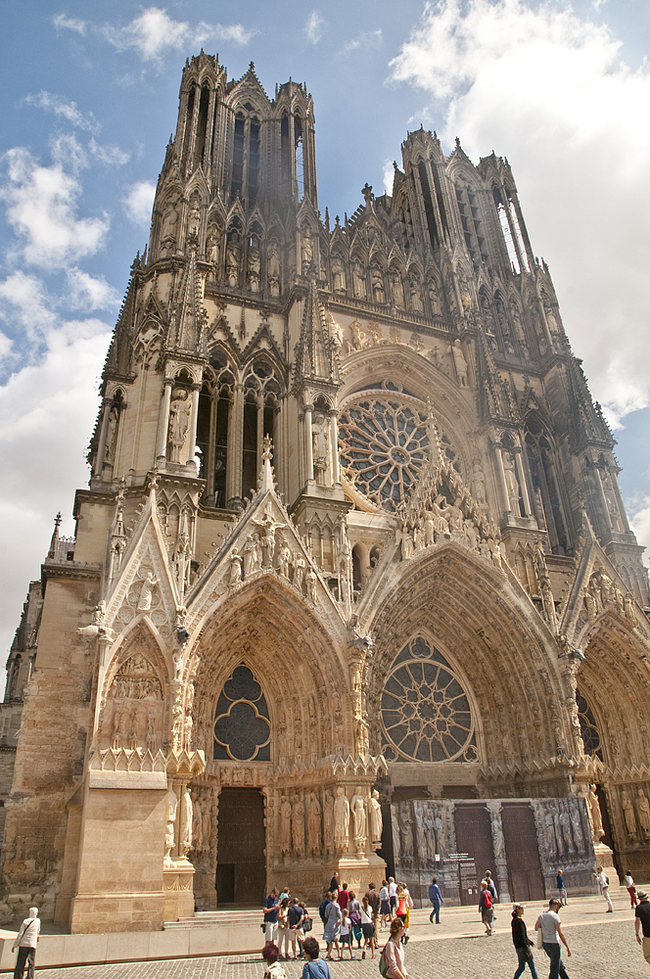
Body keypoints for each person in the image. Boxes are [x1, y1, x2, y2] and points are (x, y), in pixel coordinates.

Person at [535, 897, 571, 979]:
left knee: (558, 965)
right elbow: (560, 933)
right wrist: (568, 948)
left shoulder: (542, 915)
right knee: (554, 970)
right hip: (554, 944)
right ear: (555, 906)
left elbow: (536, 927)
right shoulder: (555, 916)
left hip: (546, 944)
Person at [511, 904, 539, 979]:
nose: (523, 910)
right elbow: (522, 936)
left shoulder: (514, 921)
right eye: (521, 908)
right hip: (523, 948)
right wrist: (526, 948)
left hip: (519, 948)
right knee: (532, 967)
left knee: (521, 967)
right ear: (518, 910)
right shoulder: (519, 922)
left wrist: (530, 942)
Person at [12, 907, 40, 979]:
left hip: (23, 944)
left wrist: (15, 945)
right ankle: (30, 977)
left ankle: (18, 977)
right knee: (31, 963)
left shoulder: (25, 921)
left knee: (21, 963)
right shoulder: (38, 921)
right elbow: (38, 932)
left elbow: (20, 934)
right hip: (32, 945)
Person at [323, 891, 341, 960]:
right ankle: (329, 954)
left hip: (329, 923)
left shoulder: (328, 905)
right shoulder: (336, 905)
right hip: (334, 923)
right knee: (333, 939)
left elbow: (326, 915)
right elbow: (339, 914)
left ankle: (337, 953)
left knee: (334, 939)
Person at [635, 889, 650, 965]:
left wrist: (637, 934)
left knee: (647, 955)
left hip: (647, 935)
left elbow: (637, 921)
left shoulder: (639, 908)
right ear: (646, 897)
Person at [360, 894, 377, 959]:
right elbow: (371, 915)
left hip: (364, 924)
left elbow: (360, 916)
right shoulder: (370, 908)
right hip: (369, 923)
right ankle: (372, 954)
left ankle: (364, 949)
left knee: (366, 940)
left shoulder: (361, 908)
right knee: (371, 940)